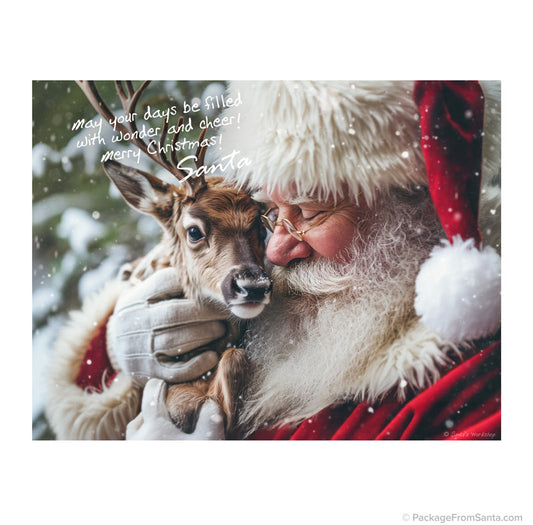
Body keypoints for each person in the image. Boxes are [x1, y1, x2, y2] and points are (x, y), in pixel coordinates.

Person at [45, 80, 501, 440]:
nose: (276, 250)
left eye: (308, 211)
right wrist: (117, 351)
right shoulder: (273, 295)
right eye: (270, 212)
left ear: (419, 208)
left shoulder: (483, 391)